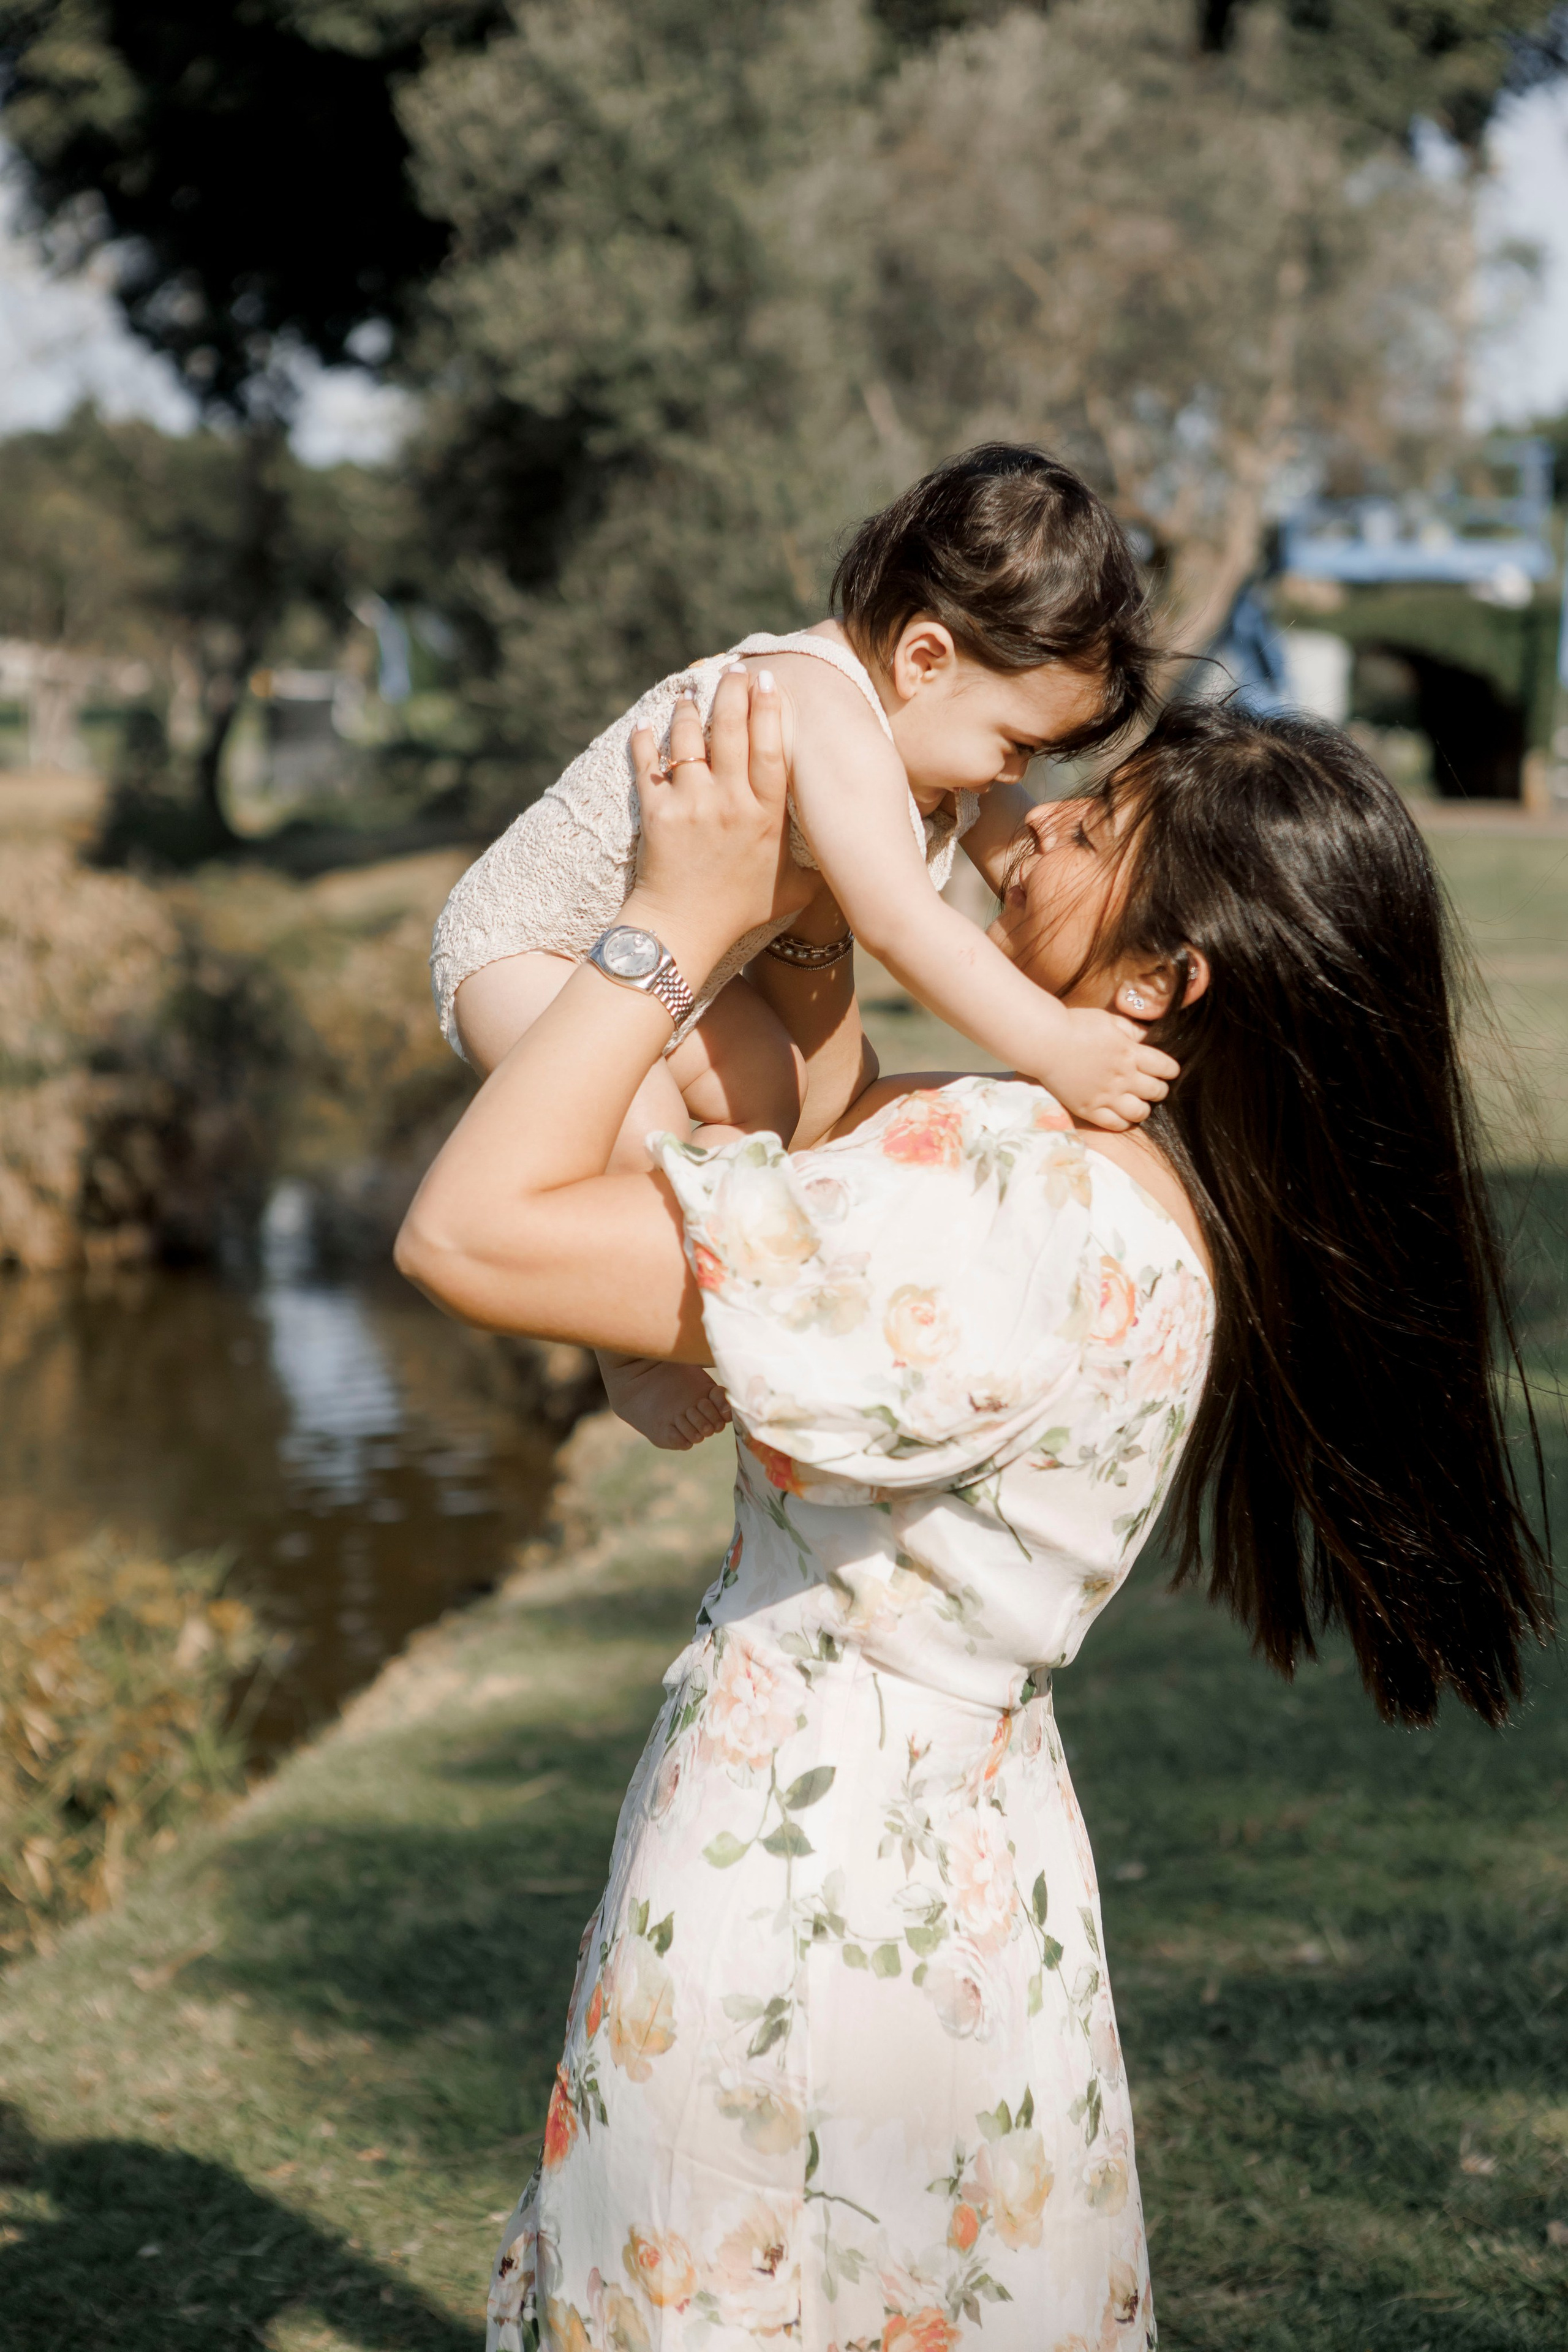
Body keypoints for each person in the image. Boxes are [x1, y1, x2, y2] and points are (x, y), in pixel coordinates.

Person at [396, 673, 1549, 2352]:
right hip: (976, 1887)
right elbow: (832, 1159)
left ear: (1165, 978)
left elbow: (475, 1238)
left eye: (1098, 825)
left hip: (798, 1884)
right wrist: (800, 931)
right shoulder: (1142, 1204)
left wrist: (661, 926)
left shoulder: (1007, 1198)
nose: (1037, 823)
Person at [430, 445, 1177, 1451]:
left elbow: (1022, 868)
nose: (1016, 781)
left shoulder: (939, 737)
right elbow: (901, 921)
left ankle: (706, 1233)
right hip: (530, 945)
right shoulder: (818, 705)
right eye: (1015, 746)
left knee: (773, 1095)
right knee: (637, 1121)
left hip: (679, 970)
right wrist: (1055, 1046)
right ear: (925, 660)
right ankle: (629, 1358)